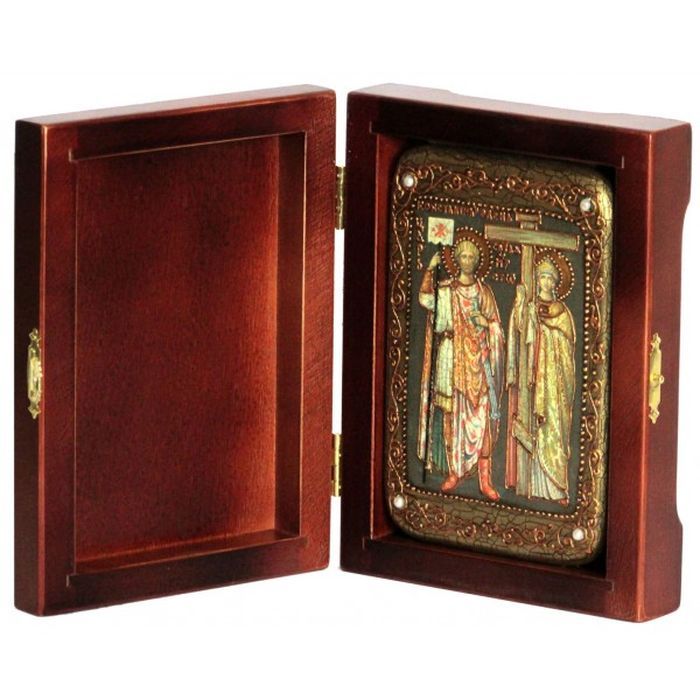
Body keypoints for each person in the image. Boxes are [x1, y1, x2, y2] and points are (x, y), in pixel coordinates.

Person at [416, 237, 504, 499]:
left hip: (479, 362)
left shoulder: (484, 292)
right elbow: (425, 300)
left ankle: (485, 480)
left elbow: (497, 328)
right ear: (456, 260)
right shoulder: (447, 290)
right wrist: (430, 269)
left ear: (477, 261)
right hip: (451, 358)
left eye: (471, 257)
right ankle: (454, 472)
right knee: (450, 416)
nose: (467, 261)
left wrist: (487, 324)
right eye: (463, 256)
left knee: (483, 419)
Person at [505, 256, 575, 504]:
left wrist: (547, 333)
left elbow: (567, 344)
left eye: (550, 278)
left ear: (556, 283)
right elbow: (519, 330)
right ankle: (533, 488)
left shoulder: (562, 312)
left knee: (555, 429)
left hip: (554, 383)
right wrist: (520, 304)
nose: (546, 282)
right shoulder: (531, 307)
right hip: (534, 379)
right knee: (533, 424)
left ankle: (557, 488)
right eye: (542, 277)